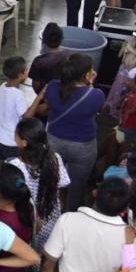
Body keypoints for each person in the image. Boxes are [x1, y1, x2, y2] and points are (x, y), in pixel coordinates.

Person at [44, 52, 106, 210]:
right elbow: (94, 105)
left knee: (54, 180)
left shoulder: (52, 87)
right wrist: (90, 84)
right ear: (87, 75)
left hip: (54, 140)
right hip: (83, 146)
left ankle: (52, 209)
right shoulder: (96, 95)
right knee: (76, 187)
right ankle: (71, 213)